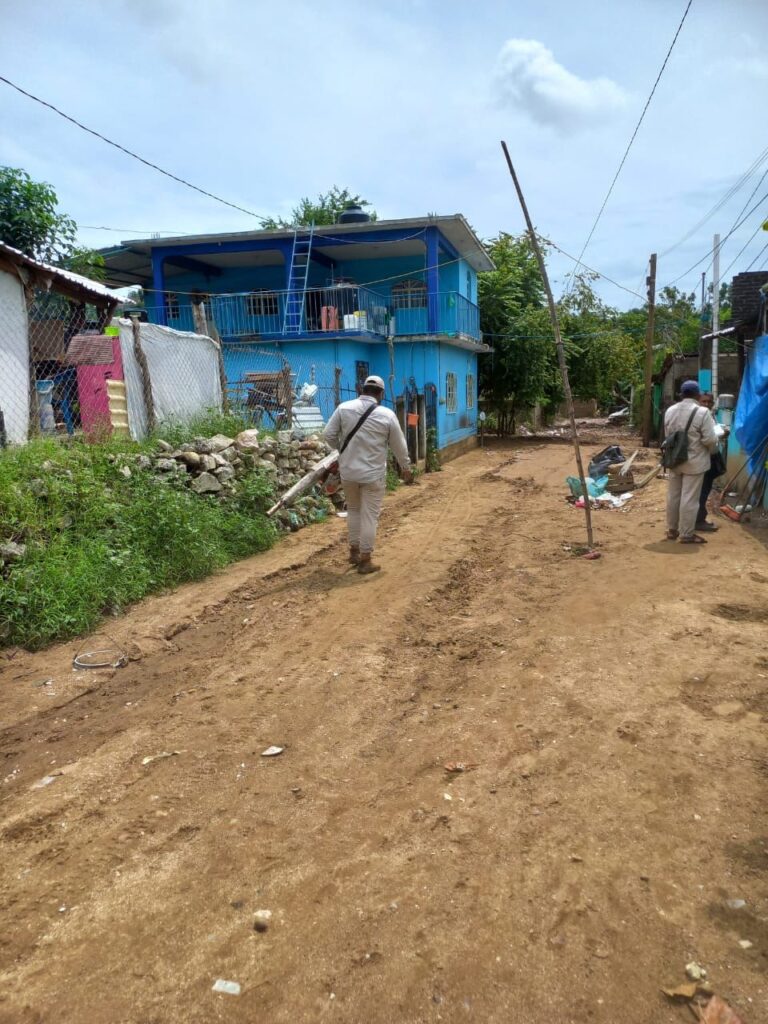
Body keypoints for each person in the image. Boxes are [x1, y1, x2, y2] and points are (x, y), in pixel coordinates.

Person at [324, 375, 413, 574]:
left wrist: (342, 451)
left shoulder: (343, 408)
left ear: (360, 390)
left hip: (348, 473)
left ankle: (354, 552)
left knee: (353, 510)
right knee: (369, 516)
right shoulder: (387, 415)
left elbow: (328, 435)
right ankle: (365, 560)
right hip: (373, 475)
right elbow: (399, 446)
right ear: (381, 394)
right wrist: (405, 468)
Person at [664, 379, 719, 545]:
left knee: (673, 495)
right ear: (697, 394)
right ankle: (687, 534)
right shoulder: (702, 412)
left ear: (682, 394)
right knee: (690, 498)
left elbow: (668, 435)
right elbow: (709, 439)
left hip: (674, 459)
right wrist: (715, 448)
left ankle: (672, 530)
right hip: (695, 461)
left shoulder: (670, 410)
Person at [695, 393, 728, 533]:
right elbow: (708, 440)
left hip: (704, 459)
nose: (707, 404)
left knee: (703, 490)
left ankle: (696, 519)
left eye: (709, 402)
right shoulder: (699, 416)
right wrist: (718, 436)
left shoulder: (709, 416)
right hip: (702, 459)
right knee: (701, 492)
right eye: (704, 401)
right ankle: (699, 521)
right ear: (698, 401)